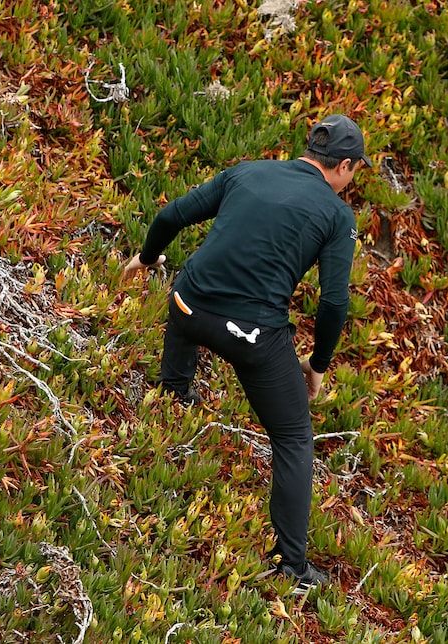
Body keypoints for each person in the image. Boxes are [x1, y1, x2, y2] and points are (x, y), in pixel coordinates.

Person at [123, 114, 371, 593]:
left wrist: (149, 256)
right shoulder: (338, 216)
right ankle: (291, 566)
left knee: (185, 296)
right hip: (252, 336)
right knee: (295, 437)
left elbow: (173, 214)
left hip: (189, 306)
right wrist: (317, 365)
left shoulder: (248, 170)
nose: (352, 179)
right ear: (343, 166)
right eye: (355, 170)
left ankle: (174, 393)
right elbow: (334, 301)